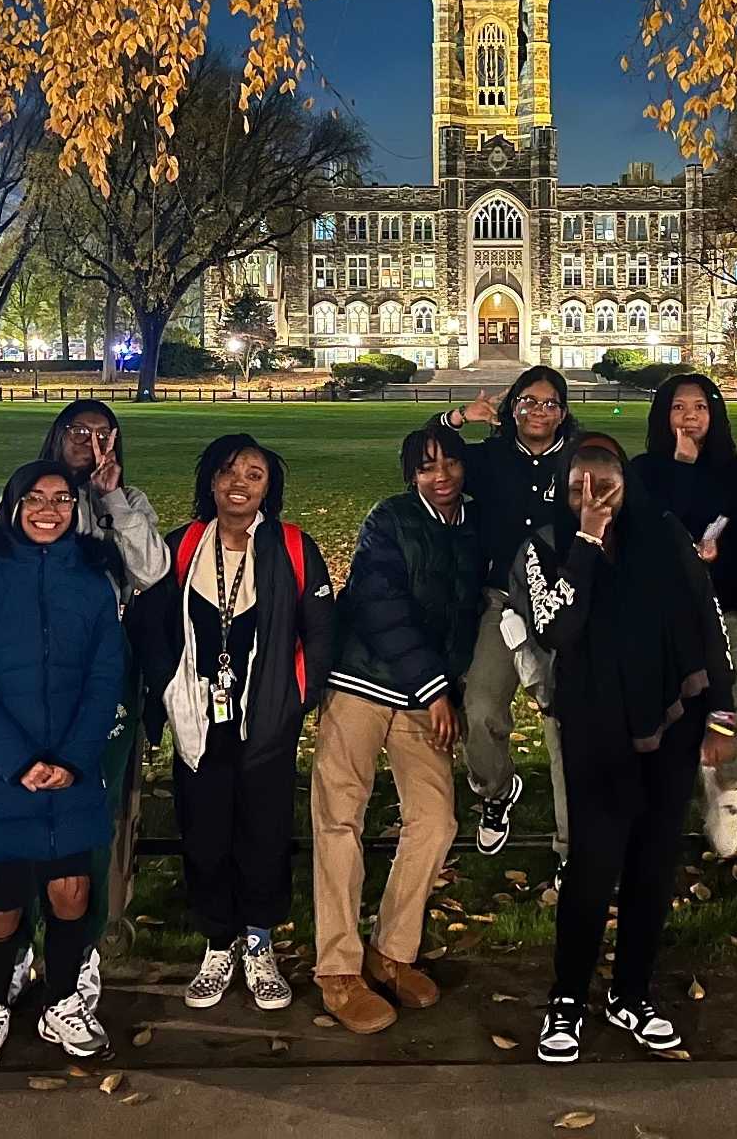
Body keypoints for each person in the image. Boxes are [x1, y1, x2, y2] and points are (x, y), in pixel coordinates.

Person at [521, 434, 737, 1064]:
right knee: (592, 866)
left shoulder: (664, 534)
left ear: (626, 485)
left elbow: (707, 618)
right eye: (576, 488)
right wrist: (586, 541)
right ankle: (567, 996)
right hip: (596, 721)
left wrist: (721, 712)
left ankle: (632, 991)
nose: (592, 498)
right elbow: (558, 625)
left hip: (673, 713)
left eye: (605, 485)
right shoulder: (544, 545)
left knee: (652, 863)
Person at [126, 434, 335, 1015]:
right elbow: (151, 625)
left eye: (254, 474)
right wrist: (168, 691)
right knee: (205, 831)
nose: (239, 484)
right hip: (198, 717)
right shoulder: (182, 546)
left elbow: (320, 632)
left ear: (270, 487)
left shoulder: (292, 547)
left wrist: (298, 696)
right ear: (210, 482)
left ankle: (259, 941)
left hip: (267, 716)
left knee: (265, 832)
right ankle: (219, 940)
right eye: (228, 472)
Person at [0, 461, 126, 1069]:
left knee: (71, 891)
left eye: (63, 500)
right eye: (36, 499)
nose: (49, 510)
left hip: (70, 765)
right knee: (3, 904)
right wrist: (18, 763)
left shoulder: (93, 583)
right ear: (13, 507)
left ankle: (62, 999)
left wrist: (71, 758)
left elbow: (105, 678)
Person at [312, 425, 485, 1034]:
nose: (440, 476)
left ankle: (392, 951)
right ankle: (337, 967)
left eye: (450, 463)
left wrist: (450, 686)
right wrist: (437, 686)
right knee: (339, 819)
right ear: (409, 474)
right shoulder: (388, 519)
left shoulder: (474, 526)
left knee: (435, 820)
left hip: (426, 692)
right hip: (362, 681)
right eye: (425, 466)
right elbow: (380, 604)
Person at [2, 401, 170, 1013]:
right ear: (58, 435)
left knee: (92, 809)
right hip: (28, 671)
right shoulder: (22, 494)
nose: (91, 443)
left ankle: (82, 948)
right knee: (19, 803)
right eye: (79, 431)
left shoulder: (124, 500)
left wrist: (114, 497)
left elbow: (152, 571)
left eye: (103, 433)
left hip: (102, 669)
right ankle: (14, 944)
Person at [433, 367, 577, 862]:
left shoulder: (579, 459)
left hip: (563, 601)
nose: (539, 411)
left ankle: (571, 849)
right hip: (503, 600)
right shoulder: (490, 458)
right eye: (529, 401)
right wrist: (457, 418)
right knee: (480, 710)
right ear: (511, 407)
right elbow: (425, 458)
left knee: (567, 725)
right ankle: (496, 791)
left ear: (563, 412)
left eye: (550, 403)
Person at [625, 373, 737, 856]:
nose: (689, 417)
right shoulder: (643, 471)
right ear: (663, 414)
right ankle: (652, 797)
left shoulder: (734, 473)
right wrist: (683, 467)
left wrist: (719, 556)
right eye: (679, 407)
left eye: (699, 407)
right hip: (662, 612)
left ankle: (725, 786)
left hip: (724, 603)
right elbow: (643, 537)